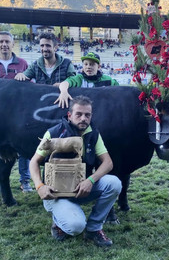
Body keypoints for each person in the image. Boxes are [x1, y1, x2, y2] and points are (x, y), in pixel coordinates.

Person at [29, 95, 122, 247]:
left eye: (87, 115)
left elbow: (108, 163)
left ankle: (94, 229)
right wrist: (40, 186)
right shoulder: (53, 133)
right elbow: (34, 161)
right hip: (56, 194)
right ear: (70, 115)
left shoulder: (93, 134)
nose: (83, 118)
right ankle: (59, 221)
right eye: (79, 114)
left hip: (81, 189)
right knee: (75, 227)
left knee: (114, 183)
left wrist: (90, 180)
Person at [0, 31, 33, 192]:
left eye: (7, 41)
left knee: (21, 149)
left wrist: (24, 77)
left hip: (17, 115)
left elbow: (31, 85)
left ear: (13, 44)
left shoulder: (22, 63)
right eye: (1, 41)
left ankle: (24, 180)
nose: (4, 44)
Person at [54, 52, 119, 108]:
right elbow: (65, 83)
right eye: (86, 64)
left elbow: (119, 90)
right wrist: (63, 92)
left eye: (92, 64)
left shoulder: (108, 80)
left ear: (99, 67)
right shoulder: (79, 78)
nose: (88, 67)